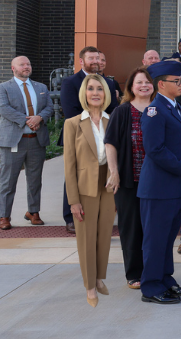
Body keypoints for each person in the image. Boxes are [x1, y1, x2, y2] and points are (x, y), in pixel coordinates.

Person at [139, 60, 181, 305]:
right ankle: (151, 286)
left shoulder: (175, 107)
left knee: (167, 238)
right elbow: (155, 149)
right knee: (156, 239)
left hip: (174, 186)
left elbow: (174, 140)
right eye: (177, 81)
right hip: (159, 187)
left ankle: (165, 279)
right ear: (161, 84)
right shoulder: (154, 111)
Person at [63, 73, 116, 307]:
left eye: (100, 89)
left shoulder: (112, 120)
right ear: (84, 93)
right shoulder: (73, 123)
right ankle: (90, 287)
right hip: (84, 188)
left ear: (106, 94)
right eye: (91, 88)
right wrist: (73, 200)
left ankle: (99, 277)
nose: (95, 93)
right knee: (86, 239)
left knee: (104, 236)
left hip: (109, 186)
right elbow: (69, 165)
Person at [60, 46, 118, 232]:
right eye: (91, 58)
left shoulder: (108, 83)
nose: (95, 61)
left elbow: (113, 109)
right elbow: (70, 111)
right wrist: (91, 125)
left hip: (105, 132)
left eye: (98, 58)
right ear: (81, 61)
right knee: (75, 173)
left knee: (102, 173)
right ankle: (70, 216)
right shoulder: (70, 82)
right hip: (80, 134)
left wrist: (105, 126)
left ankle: (100, 214)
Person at [105, 67, 154, 289]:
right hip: (129, 180)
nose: (144, 86)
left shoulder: (159, 109)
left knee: (153, 228)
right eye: (139, 82)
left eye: (147, 82)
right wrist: (114, 172)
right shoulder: (122, 111)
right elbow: (111, 144)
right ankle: (134, 274)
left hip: (156, 181)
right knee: (132, 228)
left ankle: (154, 270)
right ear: (131, 88)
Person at [0, 56, 53, 230]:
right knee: (8, 181)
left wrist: (39, 117)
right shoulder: (3, 87)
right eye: (22, 65)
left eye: (28, 64)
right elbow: (3, 108)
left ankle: (33, 212)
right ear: (13, 68)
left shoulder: (41, 87)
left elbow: (49, 107)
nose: (26, 67)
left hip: (36, 141)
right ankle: (4, 216)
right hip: (13, 142)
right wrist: (28, 121)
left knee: (35, 180)